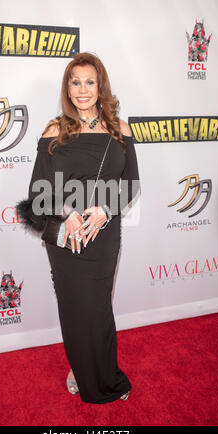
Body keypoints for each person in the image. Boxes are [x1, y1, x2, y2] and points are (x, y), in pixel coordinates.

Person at [27, 52, 140, 404]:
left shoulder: (120, 130)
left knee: (99, 308)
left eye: (89, 82)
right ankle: (79, 367)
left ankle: (106, 376)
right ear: (67, 88)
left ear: (100, 85)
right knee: (76, 308)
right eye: (75, 82)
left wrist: (105, 211)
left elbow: (131, 183)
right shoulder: (55, 130)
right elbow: (38, 187)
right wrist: (67, 212)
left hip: (105, 232)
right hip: (67, 233)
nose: (82, 89)